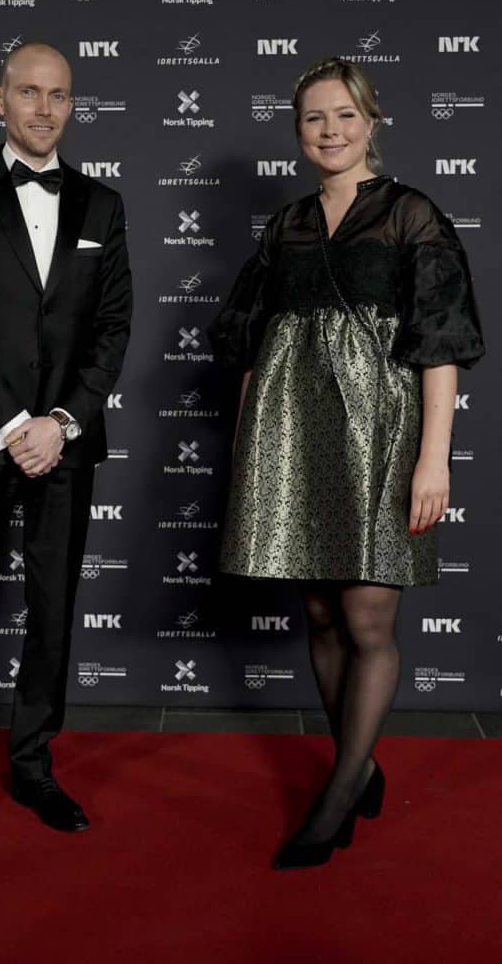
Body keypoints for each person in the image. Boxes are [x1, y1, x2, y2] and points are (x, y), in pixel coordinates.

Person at [209, 57, 484, 870]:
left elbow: (439, 346)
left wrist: (433, 460)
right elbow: (254, 343)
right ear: (297, 131)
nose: (329, 131)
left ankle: (336, 794)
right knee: (321, 614)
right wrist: (247, 448)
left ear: (371, 121)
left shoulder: (409, 213)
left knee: (365, 617)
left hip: (379, 435)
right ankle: (357, 768)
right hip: (291, 435)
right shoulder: (286, 224)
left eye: (343, 115)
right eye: (313, 118)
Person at [0, 41, 132, 845]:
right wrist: (14, 427)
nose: (45, 109)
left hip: (66, 443)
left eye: (60, 95)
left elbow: (112, 329)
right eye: (30, 92)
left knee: (51, 612)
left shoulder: (102, 204)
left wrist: (60, 423)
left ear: (73, 105)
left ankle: (34, 767)